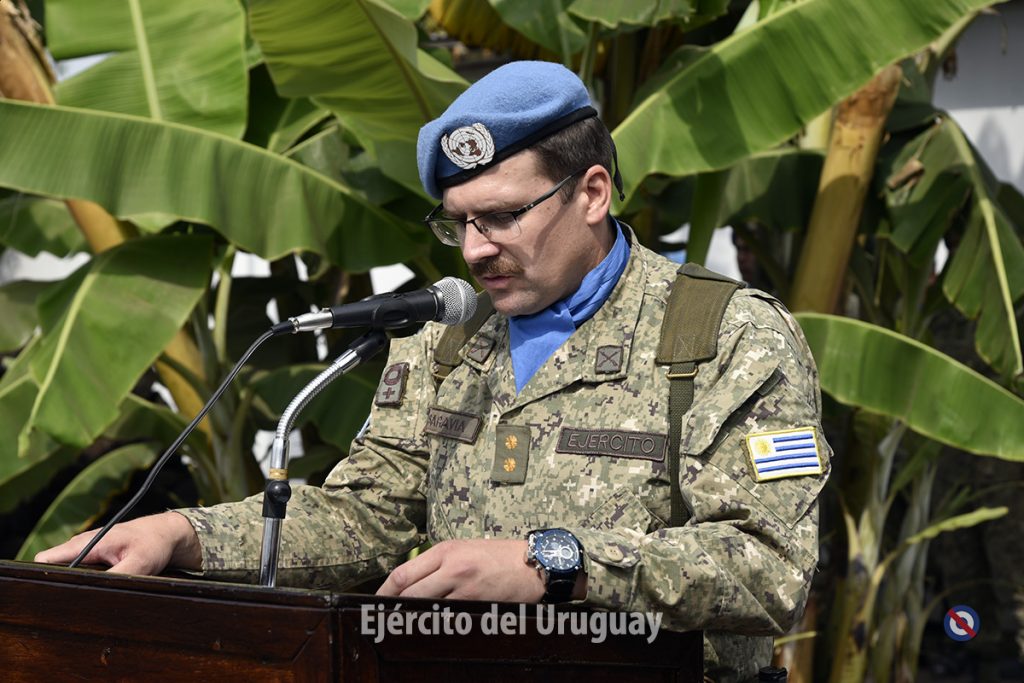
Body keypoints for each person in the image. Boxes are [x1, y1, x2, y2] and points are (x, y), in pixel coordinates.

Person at [37, 61, 831, 683]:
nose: (477, 248)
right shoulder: (446, 337)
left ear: (592, 192)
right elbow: (366, 517)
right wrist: (185, 536)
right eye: (459, 223)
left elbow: (768, 568)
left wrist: (554, 563)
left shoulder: (724, 336)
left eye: (503, 215)